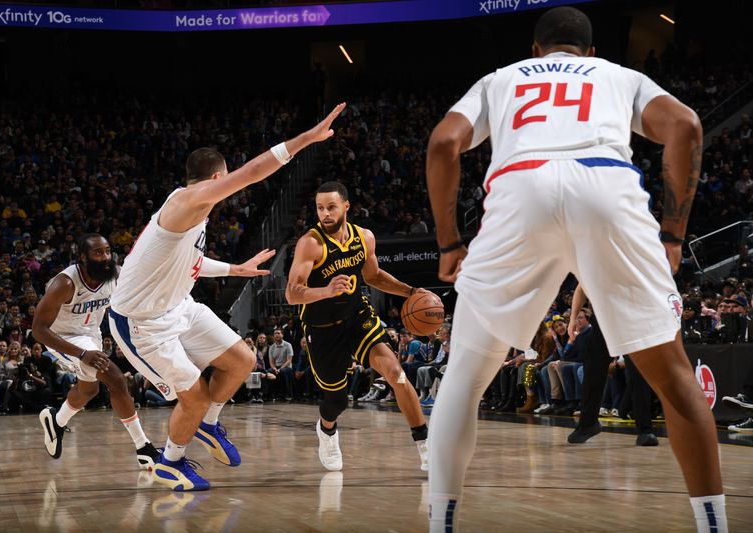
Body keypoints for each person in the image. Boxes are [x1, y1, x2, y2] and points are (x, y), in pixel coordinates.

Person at [425, 7, 725, 532]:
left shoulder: (501, 79)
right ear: (589, 53)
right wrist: (673, 234)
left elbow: (443, 144)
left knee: (463, 381)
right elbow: (686, 125)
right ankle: (714, 525)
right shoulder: (618, 75)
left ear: (535, 50)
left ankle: (441, 524)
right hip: (606, 187)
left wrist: (450, 244)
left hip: (521, 191)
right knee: (675, 379)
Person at [108, 104, 346, 492]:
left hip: (177, 306)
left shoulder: (190, 211)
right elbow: (252, 173)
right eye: (225, 179)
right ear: (217, 177)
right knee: (195, 396)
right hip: (141, 322)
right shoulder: (188, 201)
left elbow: (191, 259)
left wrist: (236, 269)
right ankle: (171, 462)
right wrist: (307, 138)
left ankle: (208, 423)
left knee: (243, 360)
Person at [285, 181, 429, 472]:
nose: (324, 214)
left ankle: (426, 447)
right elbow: (291, 293)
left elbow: (373, 276)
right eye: (320, 208)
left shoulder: (364, 238)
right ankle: (326, 431)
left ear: (346, 207)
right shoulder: (310, 244)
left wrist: (410, 291)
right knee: (337, 401)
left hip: (356, 317)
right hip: (322, 327)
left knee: (396, 373)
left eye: (331, 207)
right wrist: (326, 291)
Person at [33, 233, 160, 469]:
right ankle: (144, 448)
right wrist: (82, 354)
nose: (105, 257)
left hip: (92, 335)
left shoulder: (115, 274)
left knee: (88, 390)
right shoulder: (65, 283)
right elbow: (38, 330)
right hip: (63, 338)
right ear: (83, 257)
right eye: (98, 253)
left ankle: (56, 420)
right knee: (115, 378)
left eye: (108, 251)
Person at [566, 284, 658, 446]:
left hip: (630, 316)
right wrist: (573, 318)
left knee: (638, 373)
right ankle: (587, 424)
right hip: (603, 320)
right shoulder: (591, 261)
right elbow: (581, 287)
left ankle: (645, 430)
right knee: (592, 372)